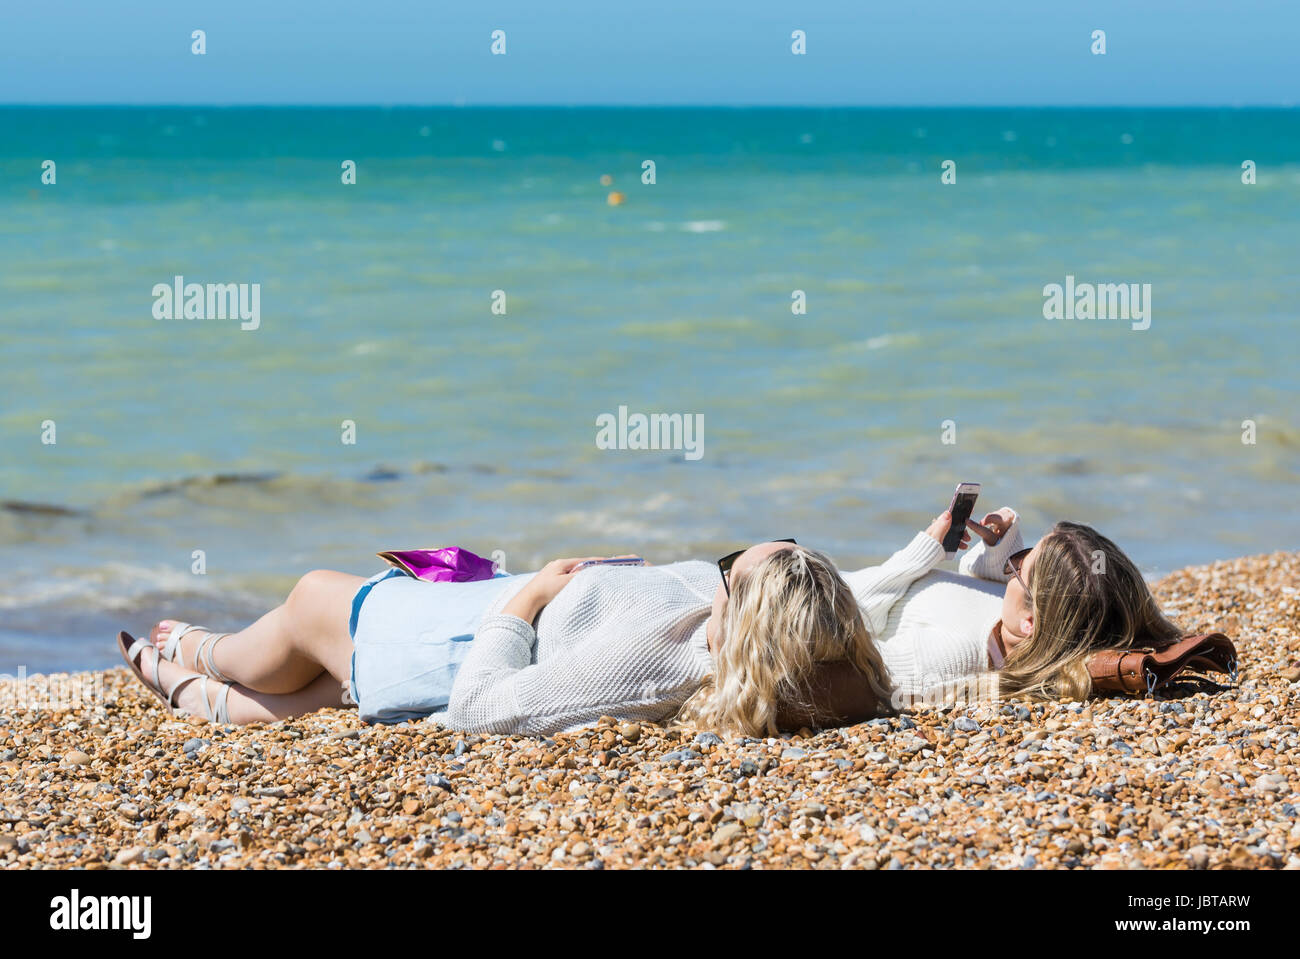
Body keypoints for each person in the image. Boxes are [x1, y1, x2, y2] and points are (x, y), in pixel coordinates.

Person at [845, 506, 1182, 705]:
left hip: (810, 590)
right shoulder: (1016, 630)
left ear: (1031, 623)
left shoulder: (946, 660)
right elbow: (969, 598)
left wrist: (917, 555)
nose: (1011, 569)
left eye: (1019, 566)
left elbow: (847, 624)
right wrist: (997, 553)